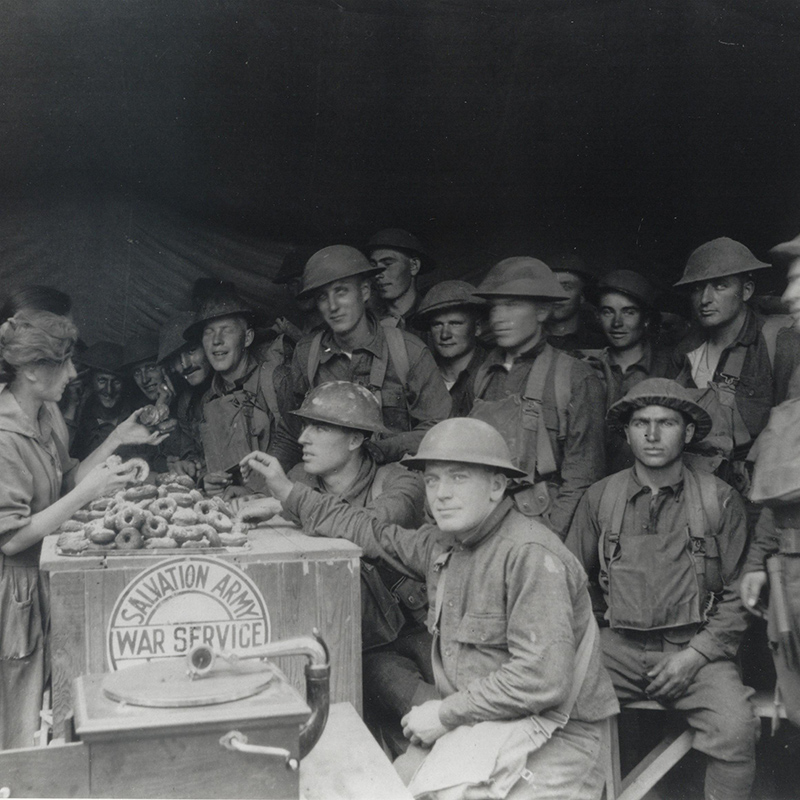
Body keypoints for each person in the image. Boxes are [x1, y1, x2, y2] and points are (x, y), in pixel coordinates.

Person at [240, 417, 619, 799]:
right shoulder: (445, 544)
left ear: (496, 486)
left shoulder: (530, 555)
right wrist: (289, 495)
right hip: (485, 722)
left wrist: (443, 713)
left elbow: (541, 681)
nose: (441, 494)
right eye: (433, 479)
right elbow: (369, 531)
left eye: (458, 478)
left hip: (559, 736)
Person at [566, 378, 758, 800]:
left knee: (736, 728)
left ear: (688, 433)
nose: (652, 435)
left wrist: (696, 656)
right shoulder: (601, 498)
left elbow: (739, 595)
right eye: (641, 423)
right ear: (627, 432)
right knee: (551, 709)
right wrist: (595, 638)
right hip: (614, 650)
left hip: (694, 651)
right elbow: (571, 584)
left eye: (667, 423)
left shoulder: (718, 500)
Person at [0, 310, 166, 750]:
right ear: (33, 370)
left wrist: (116, 441)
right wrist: (89, 492)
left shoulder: (47, 411)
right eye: (65, 362)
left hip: (48, 575)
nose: (74, 374)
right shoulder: (2, 435)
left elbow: (66, 479)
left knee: (53, 708)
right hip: (14, 593)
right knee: (17, 716)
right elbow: (11, 538)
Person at [240, 380, 431, 755]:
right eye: (305, 426)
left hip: (409, 631)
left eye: (320, 427)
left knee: (444, 701)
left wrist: (286, 502)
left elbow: (366, 529)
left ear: (356, 439)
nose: (304, 438)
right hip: (350, 644)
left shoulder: (399, 483)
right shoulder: (301, 481)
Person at [268, 245, 451, 469]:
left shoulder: (408, 351)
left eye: (342, 291)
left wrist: (383, 449)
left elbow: (440, 429)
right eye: (323, 297)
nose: (333, 306)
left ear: (364, 292)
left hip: (396, 481)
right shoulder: (307, 355)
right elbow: (291, 433)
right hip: (330, 488)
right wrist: (267, 481)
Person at [465, 256, 606, 539]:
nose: (498, 318)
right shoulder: (482, 376)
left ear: (542, 311)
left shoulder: (575, 377)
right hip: (482, 520)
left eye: (512, 305)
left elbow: (582, 479)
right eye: (494, 307)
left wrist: (548, 541)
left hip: (545, 521)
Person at [669, 237, 800, 491]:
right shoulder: (685, 352)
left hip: (760, 491)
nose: (705, 299)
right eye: (697, 288)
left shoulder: (778, 343)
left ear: (747, 290)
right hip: (698, 489)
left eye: (720, 286)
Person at [739, 231, 800, 726]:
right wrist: (760, 560)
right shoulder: (798, 375)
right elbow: (776, 479)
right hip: (792, 567)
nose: (789, 296)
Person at [186, 292, 284, 498]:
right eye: (208, 332)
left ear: (247, 338)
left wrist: (258, 493)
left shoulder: (275, 381)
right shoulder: (208, 401)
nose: (216, 341)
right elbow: (207, 460)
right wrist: (206, 480)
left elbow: (302, 457)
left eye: (226, 330)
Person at [590, 269, 672, 473]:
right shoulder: (586, 367)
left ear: (645, 319)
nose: (617, 323)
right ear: (598, 317)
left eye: (629, 312)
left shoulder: (669, 369)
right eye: (608, 311)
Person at [412, 280, 488, 417]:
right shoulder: (421, 375)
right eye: (437, 325)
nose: (445, 334)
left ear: (477, 328)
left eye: (455, 323)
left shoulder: (492, 375)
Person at [156, 311, 212, 480]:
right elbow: (191, 453)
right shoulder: (186, 402)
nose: (185, 364)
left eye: (191, 350)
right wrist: (190, 463)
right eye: (177, 359)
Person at [365, 228, 434, 332]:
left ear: (413, 266)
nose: (377, 275)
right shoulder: (368, 323)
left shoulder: (434, 318)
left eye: (388, 264)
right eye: (374, 266)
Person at [70, 341, 130, 459]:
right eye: (102, 381)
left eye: (116, 381)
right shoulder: (81, 420)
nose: (109, 390)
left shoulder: (137, 415)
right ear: (91, 382)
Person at [545, 252, 607, 353]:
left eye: (566, 287)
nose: (557, 294)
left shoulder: (600, 344)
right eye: (551, 286)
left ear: (582, 296)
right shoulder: (526, 340)